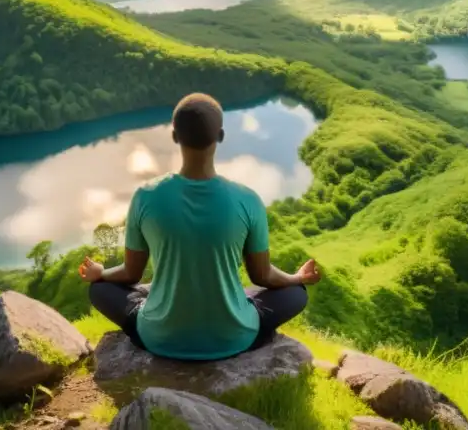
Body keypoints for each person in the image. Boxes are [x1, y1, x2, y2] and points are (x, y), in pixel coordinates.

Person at [78, 92, 321, 361]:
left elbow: (131, 274)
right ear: (220, 136)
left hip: (158, 337)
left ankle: (168, 309)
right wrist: (296, 278)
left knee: (99, 289)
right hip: (234, 336)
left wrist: (100, 272)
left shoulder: (145, 196)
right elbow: (262, 277)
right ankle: (230, 312)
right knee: (296, 295)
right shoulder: (248, 200)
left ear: (174, 136)